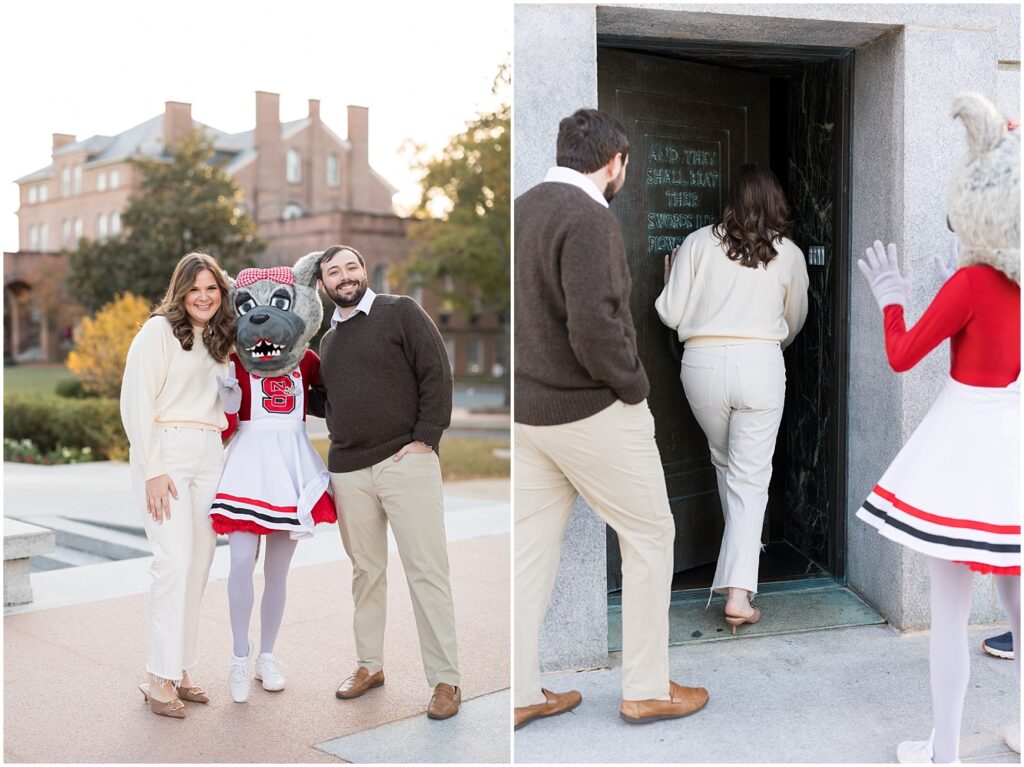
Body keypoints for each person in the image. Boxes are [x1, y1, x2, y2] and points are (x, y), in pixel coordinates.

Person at [514, 107, 709, 729]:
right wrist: (635, 387)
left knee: (529, 556)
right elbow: (596, 327)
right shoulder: (591, 217)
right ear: (614, 161)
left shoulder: (519, 210)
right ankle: (646, 688)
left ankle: (518, 692)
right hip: (590, 410)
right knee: (651, 537)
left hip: (527, 416)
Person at [855, 92, 1019, 764]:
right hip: (1013, 441)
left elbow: (901, 355)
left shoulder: (973, 281)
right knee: (1016, 594)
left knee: (950, 613)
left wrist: (894, 300)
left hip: (962, 448)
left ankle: (945, 751)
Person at [309, 244, 461, 720]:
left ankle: (445, 680)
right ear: (324, 285)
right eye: (333, 272)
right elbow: (327, 401)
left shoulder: (401, 312)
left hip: (405, 460)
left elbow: (436, 372)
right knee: (366, 574)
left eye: (351, 266)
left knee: (426, 570)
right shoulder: (326, 342)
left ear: (364, 271)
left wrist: (426, 439)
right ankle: (369, 666)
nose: (345, 276)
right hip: (348, 468)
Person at [654, 163, 808, 631]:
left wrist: (669, 281)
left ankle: (737, 566)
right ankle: (739, 593)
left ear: (731, 199)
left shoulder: (700, 243)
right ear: (775, 201)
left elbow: (669, 314)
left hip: (701, 366)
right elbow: (795, 318)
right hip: (760, 364)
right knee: (749, 476)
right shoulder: (789, 254)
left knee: (726, 465)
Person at [208, 257, 337, 704]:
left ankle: (267, 655)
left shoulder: (307, 360)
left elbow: (331, 401)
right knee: (241, 563)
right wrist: (227, 406)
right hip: (247, 468)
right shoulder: (234, 362)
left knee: (278, 573)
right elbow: (224, 432)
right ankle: (239, 655)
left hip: (291, 466)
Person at [120, 252, 234, 718]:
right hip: (166, 452)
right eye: (195, 288)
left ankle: (181, 668)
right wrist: (151, 468)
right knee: (172, 562)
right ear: (180, 291)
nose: (203, 297)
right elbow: (136, 401)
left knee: (200, 565)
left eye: (212, 288)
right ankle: (156, 676)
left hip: (210, 453)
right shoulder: (157, 332)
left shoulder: (222, 339)